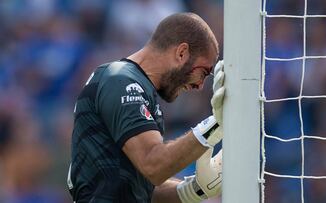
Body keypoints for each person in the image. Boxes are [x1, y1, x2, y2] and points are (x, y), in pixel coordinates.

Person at [67, 12, 225, 203]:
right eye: (204, 72)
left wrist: (196, 189)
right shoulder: (121, 81)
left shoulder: (136, 87)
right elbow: (153, 165)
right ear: (181, 53)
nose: (200, 86)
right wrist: (214, 126)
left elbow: (140, 191)